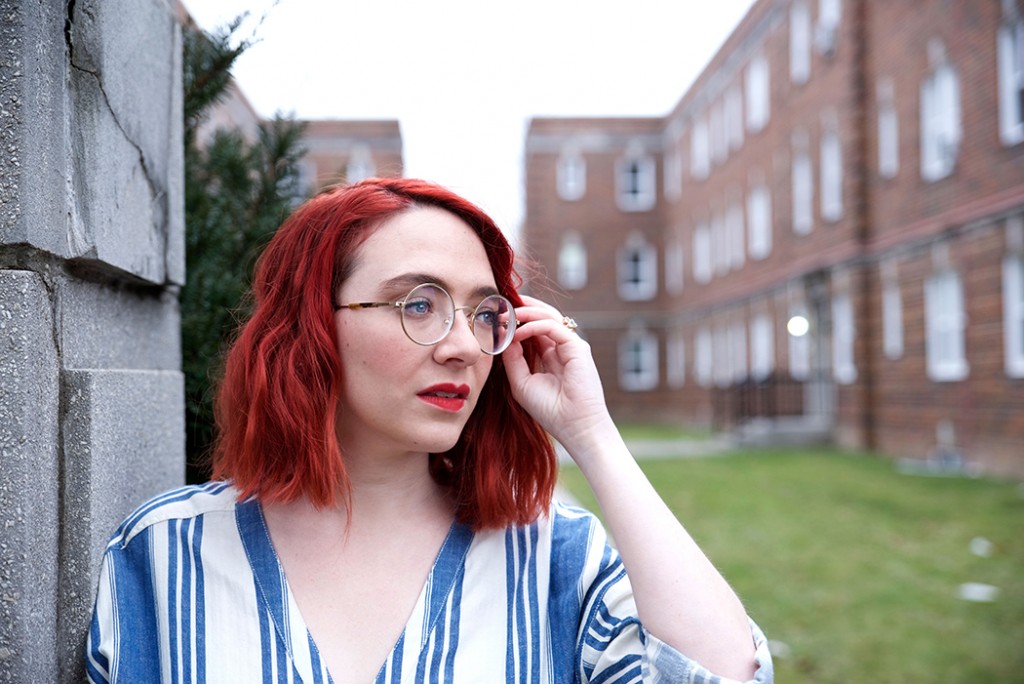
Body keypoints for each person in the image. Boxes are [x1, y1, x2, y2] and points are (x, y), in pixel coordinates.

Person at [86, 178, 772, 683]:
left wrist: (591, 433)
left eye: (484, 313)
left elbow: (723, 674)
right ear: (313, 325)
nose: (465, 346)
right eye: (420, 304)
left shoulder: (554, 557)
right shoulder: (164, 555)